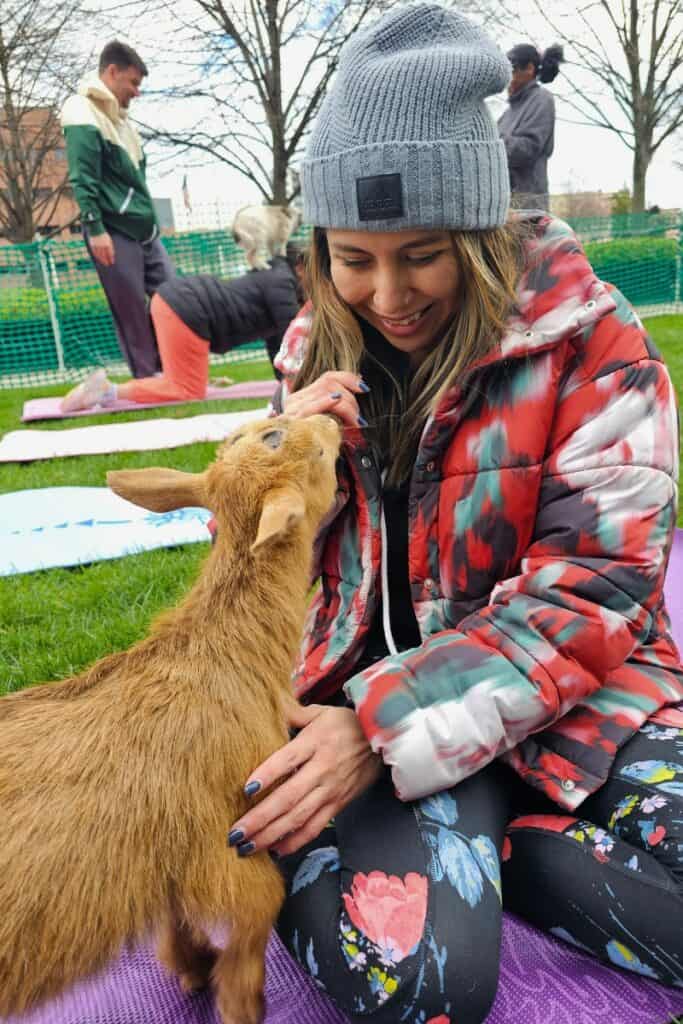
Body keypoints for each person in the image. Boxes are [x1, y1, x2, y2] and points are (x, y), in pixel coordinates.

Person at [222, 6, 683, 1024]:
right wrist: (275, 468)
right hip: (343, 712)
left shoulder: (598, 346)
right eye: (352, 257)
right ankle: (492, 846)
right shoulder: (307, 353)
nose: (385, 293)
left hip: (565, 704)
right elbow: (247, 576)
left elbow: (593, 594)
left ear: (479, 232)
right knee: (413, 980)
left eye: (420, 253)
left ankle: (508, 841)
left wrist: (383, 729)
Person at [59, 244, 304, 412]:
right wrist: (305, 383)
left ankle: (107, 390)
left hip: (178, 303)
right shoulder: (282, 282)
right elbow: (292, 335)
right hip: (186, 307)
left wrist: (286, 383)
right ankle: (106, 391)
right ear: (301, 267)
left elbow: (279, 343)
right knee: (186, 389)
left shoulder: (277, 277)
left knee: (183, 382)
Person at [61, 40, 174, 379]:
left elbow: (136, 183)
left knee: (172, 296)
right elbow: (83, 177)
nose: (136, 92)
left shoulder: (124, 123)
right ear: (112, 72)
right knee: (131, 312)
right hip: (111, 230)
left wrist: (152, 225)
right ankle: (148, 378)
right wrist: (95, 229)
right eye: (133, 83)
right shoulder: (82, 110)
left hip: (144, 230)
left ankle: (176, 369)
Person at [497, 43, 564, 210]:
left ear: (529, 68)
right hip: (504, 207)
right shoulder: (506, 114)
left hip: (528, 208)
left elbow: (528, 149)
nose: (507, 79)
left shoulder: (542, 99)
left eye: (512, 71)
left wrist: (492, 144)